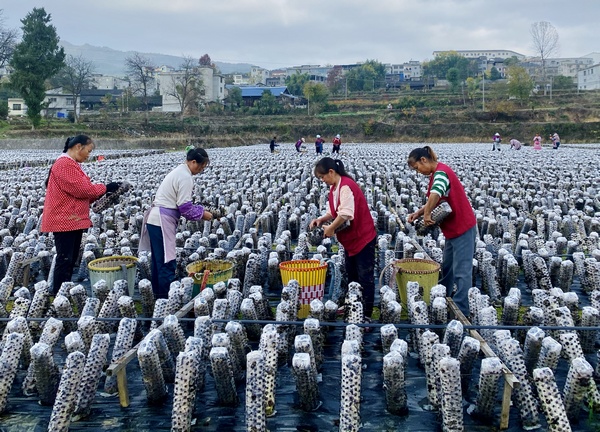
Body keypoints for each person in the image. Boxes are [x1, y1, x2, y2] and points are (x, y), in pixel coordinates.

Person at [41, 135, 121, 294]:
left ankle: (63, 292)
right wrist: (105, 188)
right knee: (65, 260)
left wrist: (104, 192)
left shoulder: (69, 164)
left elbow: (84, 193)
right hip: (64, 220)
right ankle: (59, 294)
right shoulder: (64, 164)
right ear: (79, 146)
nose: (88, 155)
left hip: (71, 219)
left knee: (69, 260)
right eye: (88, 151)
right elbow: (83, 190)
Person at [406, 146, 477, 316]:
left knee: (462, 270)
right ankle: (442, 295)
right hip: (453, 230)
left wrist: (428, 213)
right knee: (448, 267)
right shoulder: (438, 173)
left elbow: (436, 193)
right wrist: (419, 213)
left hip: (462, 228)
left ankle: (461, 309)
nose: (418, 172)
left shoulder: (441, 173)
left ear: (424, 160)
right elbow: (435, 197)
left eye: (417, 168)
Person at [139, 148, 213, 299]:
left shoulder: (179, 171)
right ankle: (167, 300)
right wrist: (204, 215)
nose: (200, 170)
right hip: (161, 221)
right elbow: (185, 208)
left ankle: (159, 297)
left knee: (158, 261)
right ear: (193, 162)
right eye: (201, 167)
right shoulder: (185, 177)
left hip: (156, 220)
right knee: (167, 262)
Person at [309, 158, 377, 320]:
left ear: (331, 172)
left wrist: (331, 228)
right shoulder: (334, 189)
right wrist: (322, 220)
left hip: (363, 238)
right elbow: (333, 212)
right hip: (350, 240)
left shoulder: (346, 186)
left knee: (365, 277)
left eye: (322, 177)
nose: (322, 180)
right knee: (352, 275)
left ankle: (365, 314)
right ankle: (352, 306)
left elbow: (346, 213)